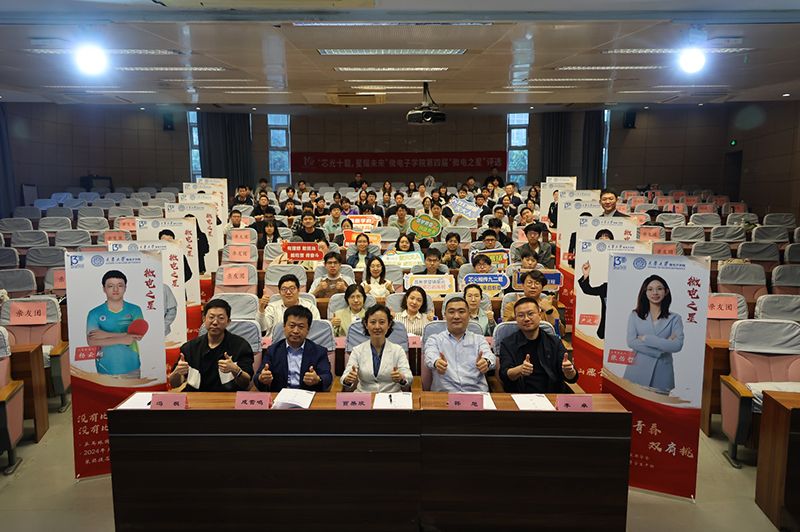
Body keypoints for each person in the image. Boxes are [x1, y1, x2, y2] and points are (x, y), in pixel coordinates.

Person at [169, 299, 254, 391]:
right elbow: (174, 384)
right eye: (211, 317)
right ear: (204, 319)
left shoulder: (241, 346)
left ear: (228, 322)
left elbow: (246, 384)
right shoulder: (189, 348)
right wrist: (177, 372)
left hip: (229, 397)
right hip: (196, 397)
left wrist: (236, 370)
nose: (215, 322)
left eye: (221, 318)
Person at [499, 297, 578, 393]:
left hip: (552, 394)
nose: (526, 319)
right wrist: (520, 369)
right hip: (521, 396)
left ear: (539, 315)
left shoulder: (554, 342)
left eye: (530, 314)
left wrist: (569, 371)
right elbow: (504, 375)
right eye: (521, 315)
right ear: (516, 319)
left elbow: (571, 378)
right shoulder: (508, 343)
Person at [624, 275, 684, 393]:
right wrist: (661, 349)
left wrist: (647, 338)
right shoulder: (635, 315)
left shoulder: (675, 318)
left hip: (662, 374)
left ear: (666, 291)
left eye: (659, 289)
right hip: (637, 371)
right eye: (650, 289)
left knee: (658, 405)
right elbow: (631, 342)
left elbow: (677, 345)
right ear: (645, 292)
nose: (655, 293)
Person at [253, 305, 332, 392]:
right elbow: (257, 377)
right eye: (292, 326)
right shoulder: (273, 350)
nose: (295, 331)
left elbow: (327, 377)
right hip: (280, 395)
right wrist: (262, 378)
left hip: (307, 395)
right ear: (284, 326)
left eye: (301, 327)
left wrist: (317, 379)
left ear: (308, 330)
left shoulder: (319, 351)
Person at [424, 297, 495, 392]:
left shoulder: (479, 339)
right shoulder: (434, 340)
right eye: (451, 312)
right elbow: (430, 356)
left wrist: (486, 362)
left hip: (476, 394)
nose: (456, 316)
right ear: (445, 315)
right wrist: (436, 362)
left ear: (469, 315)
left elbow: (490, 356)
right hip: (445, 394)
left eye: (461, 312)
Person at [86, 270, 146, 377]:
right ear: (104, 288)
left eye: (120, 285)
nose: (115, 289)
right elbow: (92, 342)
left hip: (131, 366)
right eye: (110, 286)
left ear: (125, 288)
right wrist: (124, 338)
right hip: (104, 367)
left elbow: (138, 336)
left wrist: (105, 335)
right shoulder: (94, 313)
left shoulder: (135, 310)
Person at [341, 304, 413, 393]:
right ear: (366, 324)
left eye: (382, 322)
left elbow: (409, 378)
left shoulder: (398, 350)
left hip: (390, 397)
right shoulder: (357, 350)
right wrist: (348, 379)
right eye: (373, 322)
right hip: (364, 397)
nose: (377, 327)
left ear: (389, 324)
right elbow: (344, 377)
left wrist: (401, 378)